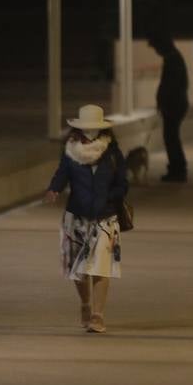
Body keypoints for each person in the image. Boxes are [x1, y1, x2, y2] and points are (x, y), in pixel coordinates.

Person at [44, 105, 130, 334]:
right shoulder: (70, 151)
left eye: (94, 129)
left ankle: (98, 315)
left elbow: (123, 183)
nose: (90, 133)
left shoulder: (112, 152)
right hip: (76, 216)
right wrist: (54, 189)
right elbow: (62, 173)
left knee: (101, 267)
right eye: (86, 129)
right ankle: (85, 303)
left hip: (105, 217)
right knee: (78, 270)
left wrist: (110, 198)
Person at [149, 31, 189, 183]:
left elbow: (170, 86)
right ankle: (177, 168)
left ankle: (178, 169)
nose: (156, 51)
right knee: (172, 137)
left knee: (171, 138)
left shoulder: (172, 60)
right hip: (175, 104)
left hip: (174, 105)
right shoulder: (173, 58)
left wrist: (164, 102)